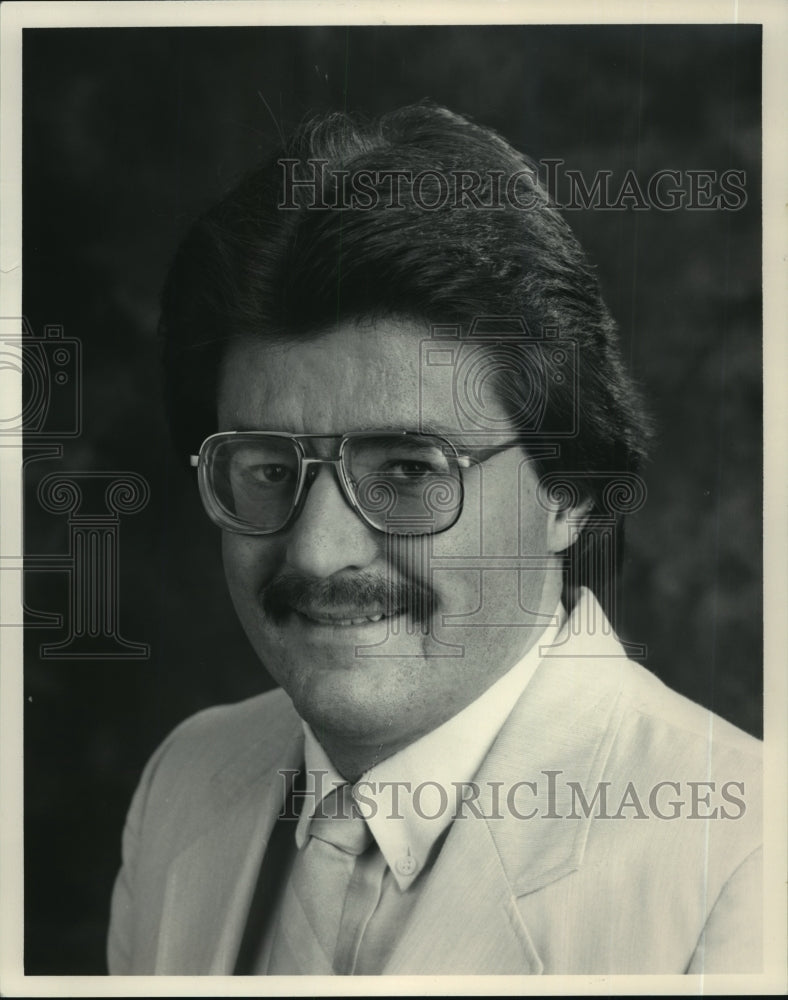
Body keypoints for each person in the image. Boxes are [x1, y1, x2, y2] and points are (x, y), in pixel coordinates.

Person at [107, 104, 761, 976]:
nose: (315, 552)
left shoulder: (745, 861)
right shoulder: (184, 780)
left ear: (568, 491)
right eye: (268, 469)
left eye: (409, 471)